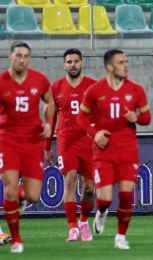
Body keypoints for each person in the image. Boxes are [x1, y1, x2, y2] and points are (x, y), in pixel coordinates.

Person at [77, 49, 151, 249]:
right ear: (109, 67)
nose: (125, 65)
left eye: (126, 61)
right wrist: (95, 133)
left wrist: (137, 118)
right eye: (120, 62)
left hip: (127, 150)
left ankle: (120, 237)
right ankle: (101, 212)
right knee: (105, 199)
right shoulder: (95, 90)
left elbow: (147, 117)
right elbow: (81, 117)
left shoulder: (136, 90)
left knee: (126, 195)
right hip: (104, 151)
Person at [0, 41, 55, 253]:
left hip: (32, 141)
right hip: (8, 140)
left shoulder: (39, 79)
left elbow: (50, 102)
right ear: (10, 57)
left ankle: (21, 198)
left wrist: (49, 124)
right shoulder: (2, 82)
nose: (22, 59)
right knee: (10, 189)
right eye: (18, 55)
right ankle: (16, 239)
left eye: (26, 56)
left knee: (33, 195)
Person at [45, 49, 96, 242]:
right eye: (69, 62)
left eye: (76, 61)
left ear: (82, 63)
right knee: (70, 180)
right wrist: (47, 146)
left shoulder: (93, 86)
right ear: (64, 65)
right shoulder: (56, 87)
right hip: (66, 141)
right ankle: (72, 228)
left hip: (88, 141)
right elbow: (50, 119)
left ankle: (83, 222)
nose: (73, 65)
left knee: (90, 188)